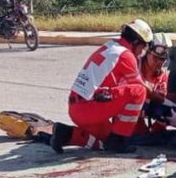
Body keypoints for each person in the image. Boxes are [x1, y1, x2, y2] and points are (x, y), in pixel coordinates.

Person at [50, 19, 153, 154]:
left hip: (77, 107)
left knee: (105, 143)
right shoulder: (126, 56)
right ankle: (120, 140)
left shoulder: (109, 47)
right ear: (135, 42)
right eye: (143, 46)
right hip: (90, 109)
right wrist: (161, 99)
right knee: (139, 91)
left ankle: (66, 134)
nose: (142, 52)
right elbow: (140, 88)